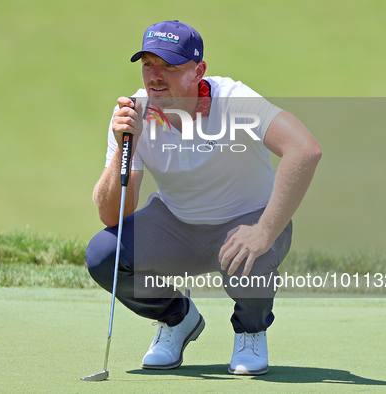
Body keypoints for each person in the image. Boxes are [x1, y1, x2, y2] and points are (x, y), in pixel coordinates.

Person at [85, 20, 321, 375]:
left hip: (246, 220)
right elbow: (112, 214)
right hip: (177, 226)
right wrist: (122, 147)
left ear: (199, 71)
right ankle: (178, 319)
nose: (155, 75)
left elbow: (304, 149)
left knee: (252, 259)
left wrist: (264, 230)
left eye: (169, 65)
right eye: (148, 63)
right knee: (104, 255)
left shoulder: (234, 101)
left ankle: (250, 332)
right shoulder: (133, 113)